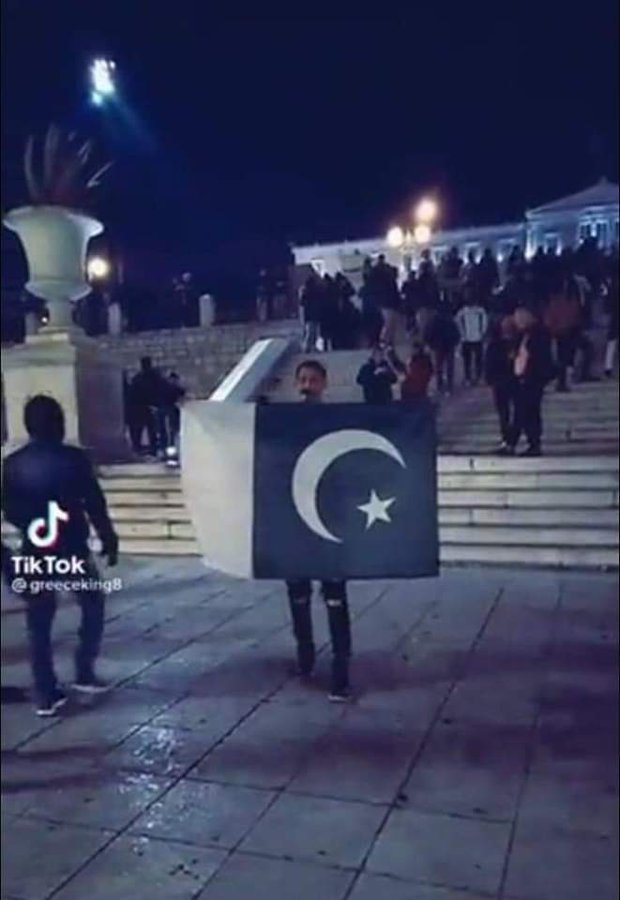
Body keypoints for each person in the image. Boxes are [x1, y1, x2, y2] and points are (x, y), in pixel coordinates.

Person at [1, 396, 119, 715]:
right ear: (58, 422)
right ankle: (84, 671)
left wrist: (31, 525)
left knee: (39, 620)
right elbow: (93, 502)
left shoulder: (12, 463)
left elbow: (9, 508)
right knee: (92, 604)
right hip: (72, 545)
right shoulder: (74, 458)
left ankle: (46, 691)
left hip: (35, 547)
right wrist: (108, 537)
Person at [286, 360, 352, 701]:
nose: (307, 385)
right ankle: (306, 658)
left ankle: (341, 672)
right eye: (302, 380)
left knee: (335, 599)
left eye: (313, 380)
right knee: (298, 597)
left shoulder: (337, 420)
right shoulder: (285, 422)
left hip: (330, 525)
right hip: (296, 526)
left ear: (324, 383)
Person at [508, 307, 555, 456]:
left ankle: (531, 443)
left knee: (529, 411)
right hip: (522, 377)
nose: (516, 321)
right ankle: (514, 442)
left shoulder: (539, 334)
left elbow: (541, 358)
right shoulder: (522, 335)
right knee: (522, 411)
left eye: (519, 318)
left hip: (533, 378)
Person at [484, 317, 519, 454]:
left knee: (509, 412)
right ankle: (508, 439)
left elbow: (489, 363)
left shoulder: (499, 344)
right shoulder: (505, 344)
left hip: (508, 381)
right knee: (505, 412)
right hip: (504, 381)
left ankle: (509, 440)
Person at [130, 356, 169, 456]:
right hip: (153, 406)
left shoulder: (138, 378)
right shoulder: (155, 377)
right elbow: (164, 388)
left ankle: (139, 449)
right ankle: (155, 449)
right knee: (154, 429)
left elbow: (133, 393)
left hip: (140, 407)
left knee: (140, 429)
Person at [424, 309, 461, 394]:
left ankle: (439, 384)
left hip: (438, 346)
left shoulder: (433, 321)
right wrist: (455, 342)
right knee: (449, 366)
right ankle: (449, 384)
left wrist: (430, 344)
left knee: (439, 366)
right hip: (449, 345)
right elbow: (456, 333)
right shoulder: (450, 320)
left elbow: (428, 333)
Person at [455, 297, 488, 385]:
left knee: (476, 360)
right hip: (468, 339)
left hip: (476, 338)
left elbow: (484, 323)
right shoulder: (463, 312)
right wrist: (463, 334)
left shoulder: (480, 311)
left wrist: (481, 333)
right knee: (469, 360)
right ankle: (469, 377)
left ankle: (476, 377)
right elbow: (458, 323)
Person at [372, 254, 402, 346]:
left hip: (386, 302)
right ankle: (385, 341)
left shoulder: (380, 276)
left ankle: (386, 341)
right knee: (389, 323)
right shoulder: (388, 281)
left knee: (389, 323)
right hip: (389, 303)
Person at [300, 273, 325, 352]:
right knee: (312, 332)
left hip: (310, 314)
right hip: (314, 314)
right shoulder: (315, 291)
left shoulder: (306, 291)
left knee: (311, 332)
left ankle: (309, 346)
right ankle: (308, 347)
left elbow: (302, 303)